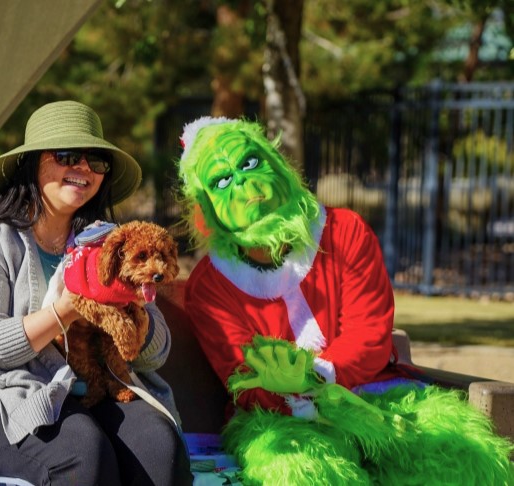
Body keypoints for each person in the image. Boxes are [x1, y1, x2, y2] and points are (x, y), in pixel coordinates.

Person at [177, 117, 513, 485]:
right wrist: (298, 394)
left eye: (250, 163)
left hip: (377, 394)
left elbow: (369, 333)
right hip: (278, 419)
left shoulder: (345, 231)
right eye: (222, 181)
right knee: (304, 473)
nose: (245, 184)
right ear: (205, 208)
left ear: (276, 164)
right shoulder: (209, 286)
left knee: (462, 457)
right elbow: (246, 378)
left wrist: (320, 375)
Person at [0, 100, 193, 485]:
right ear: (31, 164)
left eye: (96, 162)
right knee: (83, 455)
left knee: (161, 448)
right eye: (67, 156)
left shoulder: (109, 242)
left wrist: (132, 306)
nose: (83, 169)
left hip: (101, 389)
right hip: (12, 398)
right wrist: (67, 309)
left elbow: (156, 354)